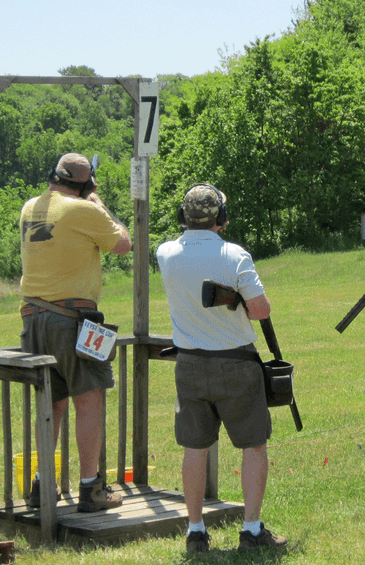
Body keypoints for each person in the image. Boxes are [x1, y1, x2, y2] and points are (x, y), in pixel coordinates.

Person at [156, 183, 288, 554]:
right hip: (236, 362)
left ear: (184, 217)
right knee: (253, 446)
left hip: (189, 363)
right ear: (223, 218)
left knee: (195, 449)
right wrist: (236, 299)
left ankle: (195, 531)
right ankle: (250, 529)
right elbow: (261, 309)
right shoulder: (235, 255)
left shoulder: (165, 252)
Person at [19, 153, 132, 513]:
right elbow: (122, 243)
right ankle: (91, 488)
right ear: (86, 185)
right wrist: (101, 205)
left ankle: (43, 485)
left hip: (33, 317)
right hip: (71, 319)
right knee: (90, 397)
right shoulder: (86, 210)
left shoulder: (30, 207)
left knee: (51, 402)